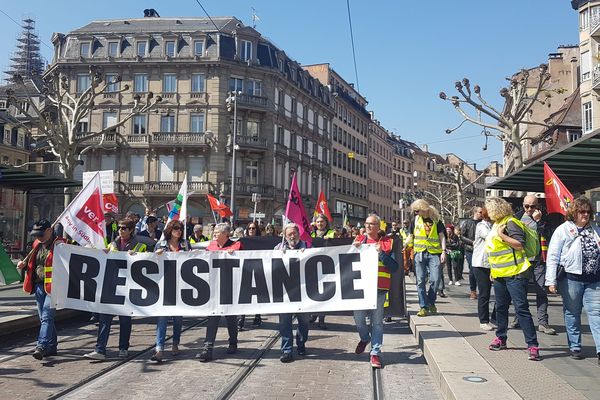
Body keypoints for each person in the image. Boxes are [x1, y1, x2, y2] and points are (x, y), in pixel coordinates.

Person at [484, 197, 540, 361]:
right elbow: (495, 251)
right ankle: (501, 338)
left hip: (515, 273)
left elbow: (519, 244)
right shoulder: (497, 224)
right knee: (501, 308)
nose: (487, 213)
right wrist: (493, 271)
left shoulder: (510, 223)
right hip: (500, 274)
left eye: (489, 209)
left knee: (521, 309)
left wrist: (502, 235)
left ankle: (533, 345)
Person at [545, 196, 600, 361]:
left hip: (594, 279)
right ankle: (575, 346)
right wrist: (550, 280)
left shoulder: (596, 229)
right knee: (572, 313)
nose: (585, 215)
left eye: (588, 212)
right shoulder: (563, 230)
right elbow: (553, 255)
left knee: (596, 313)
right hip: (571, 278)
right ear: (574, 213)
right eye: (582, 212)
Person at [84, 218, 147, 361]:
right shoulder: (112, 244)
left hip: (127, 288)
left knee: (125, 320)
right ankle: (100, 349)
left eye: (124, 228)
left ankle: (123, 348)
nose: (121, 230)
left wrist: (137, 257)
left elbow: (146, 264)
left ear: (131, 230)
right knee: (104, 318)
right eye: (119, 227)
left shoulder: (140, 246)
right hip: (111, 286)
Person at [353, 214, 398, 368]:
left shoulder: (387, 243)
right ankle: (365, 338)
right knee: (359, 319)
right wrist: (353, 250)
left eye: (372, 224)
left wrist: (381, 254)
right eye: (366, 224)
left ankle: (375, 353)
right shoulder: (359, 240)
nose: (368, 226)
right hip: (360, 287)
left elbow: (394, 266)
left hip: (379, 287)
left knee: (377, 322)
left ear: (379, 227)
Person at [17, 219, 66, 360]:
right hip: (39, 286)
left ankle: (42, 345)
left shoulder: (61, 245)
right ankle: (52, 346)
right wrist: (23, 265)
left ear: (49, 231)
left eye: (41, 234)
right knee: (44, 318)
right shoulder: (36, 245)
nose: (38, 237)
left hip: (53, 287)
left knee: (46, 317)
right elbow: (32, 264)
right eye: (36, 235)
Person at [510, 195, 556, 335]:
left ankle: (543, 322)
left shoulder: (543, 218)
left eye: (533, 206)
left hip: (539, 260)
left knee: (541, 290)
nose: (530, 209)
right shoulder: (516, 218)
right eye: (527, 206)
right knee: (520, 291)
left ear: (538, 205)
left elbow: (549, 235)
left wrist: (539, 221)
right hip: (522, 260)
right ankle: (518, 319)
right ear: (523, 205)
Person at [196, 223, 241, 362]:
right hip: (214, 288)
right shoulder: (210, 247)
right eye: (214, 231)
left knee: (231, 318)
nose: (214, 233)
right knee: (213, 316)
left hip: (230, 288)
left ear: (226, 234)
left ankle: (233, 342)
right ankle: (208, 347)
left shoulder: (236, 246)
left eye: (217, 231)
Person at [151, 220, 188, 362]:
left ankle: (175, 344)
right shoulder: (160, 245)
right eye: (176, 228)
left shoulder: (184, 244)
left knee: (178, 318)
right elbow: (152, 262)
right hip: (164, 285)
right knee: (162, 317)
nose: (178, 231)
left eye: (181, 229)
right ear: (170, 230)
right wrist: (157, 255)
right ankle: (159, 348)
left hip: (180, 285)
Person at [274, 223, 311, 363]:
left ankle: (301, 344)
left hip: (303, 292)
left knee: (304, 321)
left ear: (299, 234)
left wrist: (307, 255)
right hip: (285, 293)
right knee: (284, 322)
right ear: (285, 236)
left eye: (294, 233)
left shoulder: (308, 247)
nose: (292, 236)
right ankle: (287, 350)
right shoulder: (277, 248)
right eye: (289, 234)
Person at [406, 199, 446, 317]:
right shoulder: (415, 221)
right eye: (415, 211)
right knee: (420, 281)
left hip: (434, 253)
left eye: (418, 211)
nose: (416, 213)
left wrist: (443, 251)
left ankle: (431, 302)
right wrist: (404, 245)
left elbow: (442, 236)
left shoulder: (436, 220)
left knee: (435, 279)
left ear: (424, 209)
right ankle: (423, 306)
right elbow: (410, 236)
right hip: (419, 253)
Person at [309, 214, 335, 329]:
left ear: (326, 223)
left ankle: (321, 319)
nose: (320, 224)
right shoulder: (312, 234)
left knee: (324, 293)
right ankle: (314, 313)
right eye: (318, 222)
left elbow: (336, 243)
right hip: (313, 266)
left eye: (322, 222)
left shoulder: (330, 233)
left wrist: (330, 240)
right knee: (314, 293)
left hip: (326, 266)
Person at [471, 208, 494, 331]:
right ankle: (483, 320)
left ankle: (495, 317)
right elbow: (490, 236)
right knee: (484, 293)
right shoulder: (481, 226)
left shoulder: (493, 225)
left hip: (492, 263)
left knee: (501, 292)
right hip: (481, 264)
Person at [238, 222, 263, 330]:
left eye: (253, 228)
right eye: (249, 228)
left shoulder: (262, 241)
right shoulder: (243, 241)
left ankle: (257, 316)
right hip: (246, 271)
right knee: (245, 295)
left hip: (259, 271)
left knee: (258, 295)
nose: (251, 230)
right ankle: (242, 318)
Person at [460, 206, 483, 300]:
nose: (482, 214)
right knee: (473, 270)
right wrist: (472, 242)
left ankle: (481, 290)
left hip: (481, 249)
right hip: (471, 249)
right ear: (475, 212)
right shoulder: (467, 223)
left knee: (482, 270)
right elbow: (462, 236)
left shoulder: (484, 223)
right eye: (480, 212)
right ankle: (473, 291)